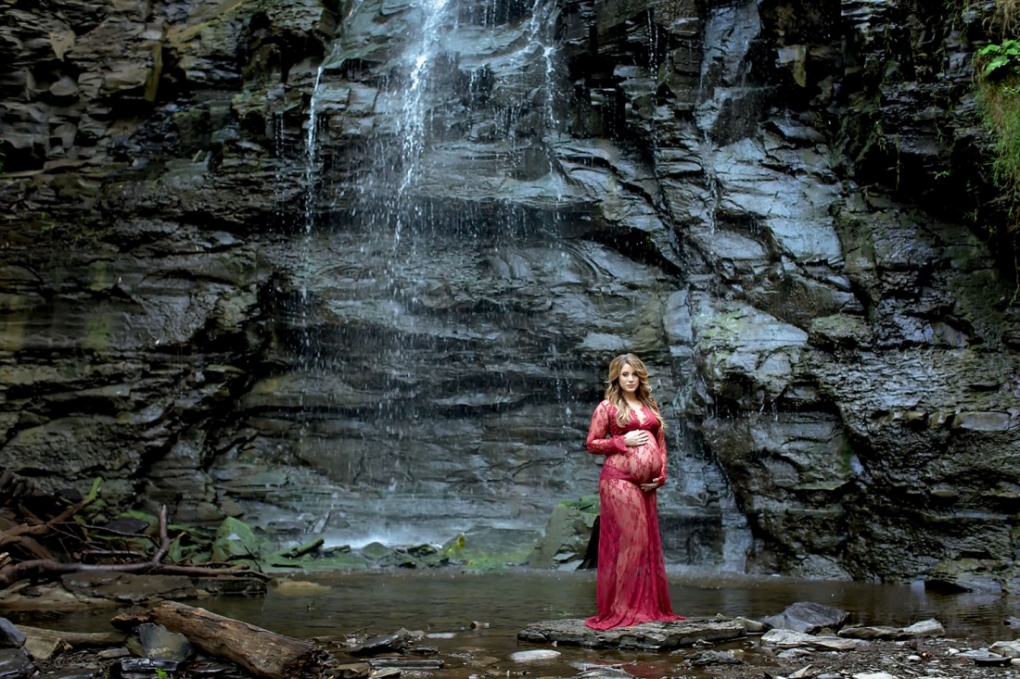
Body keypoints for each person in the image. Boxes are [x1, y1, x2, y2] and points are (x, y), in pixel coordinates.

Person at [584, 353, 685, 629]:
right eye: (625, 374)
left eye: (635, 374)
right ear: (616, 376)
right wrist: (620, 440)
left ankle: (644, 606)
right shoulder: (607, 407)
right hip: (618, 479)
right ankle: (621, 607)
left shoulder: (649, 404)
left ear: (641, 376)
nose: (630, 379)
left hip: (646, 484)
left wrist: (661, 475)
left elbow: (661, 444)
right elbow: (592, 443)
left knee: (645, 543)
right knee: (634, 540)